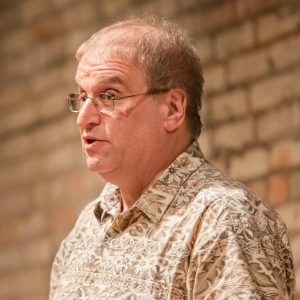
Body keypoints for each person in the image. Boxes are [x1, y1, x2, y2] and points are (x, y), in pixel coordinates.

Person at [50, 16, 295, 299]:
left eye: (109, 95)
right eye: (82, 97)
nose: (84, 118)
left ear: (173, 109)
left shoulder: (223, 219)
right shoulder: (85, 229)